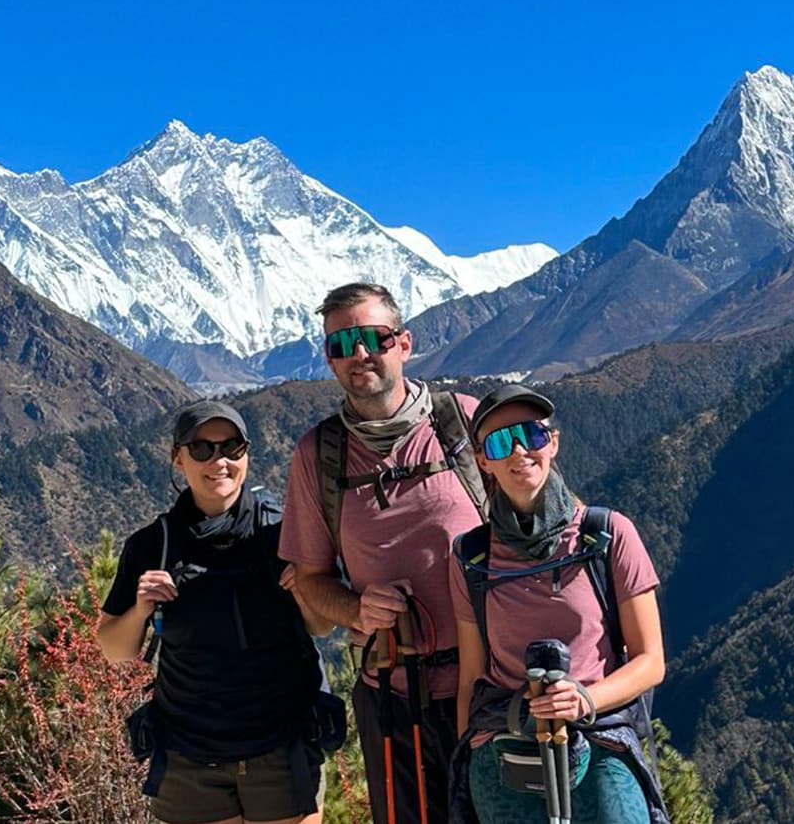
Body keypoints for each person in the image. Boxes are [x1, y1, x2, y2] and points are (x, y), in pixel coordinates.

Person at [281, 283, 486, 824]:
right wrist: (356, 610)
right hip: (393, 699)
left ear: (404, 343)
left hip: (492, 686)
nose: (358, 355)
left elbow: (550, 526)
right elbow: (309, 579)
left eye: (373, 337)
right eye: (340, 345)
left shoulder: (463, 426)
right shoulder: (318, 456)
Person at [98, 401, 329, 824]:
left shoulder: (283, 532)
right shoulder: (153, 545)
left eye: (231, 447)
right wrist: (139, 609)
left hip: (281, 745)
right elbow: (115, 648)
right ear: (178, 458)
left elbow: (321, 625)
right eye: (202, 449)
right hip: (190, 755)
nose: (218, 461)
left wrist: (305, 592)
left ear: (247, 453)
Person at [448, 383, 669, 823]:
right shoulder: (470, 557)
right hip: (502, 747)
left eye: (530, 435)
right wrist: (469, 755)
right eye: (499, 441)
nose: (518, 452)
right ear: (481, 460)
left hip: (598, 735)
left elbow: (651, 662)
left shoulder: (606, 535)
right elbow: (472, 678)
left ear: (553, 441)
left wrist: (584, 698)